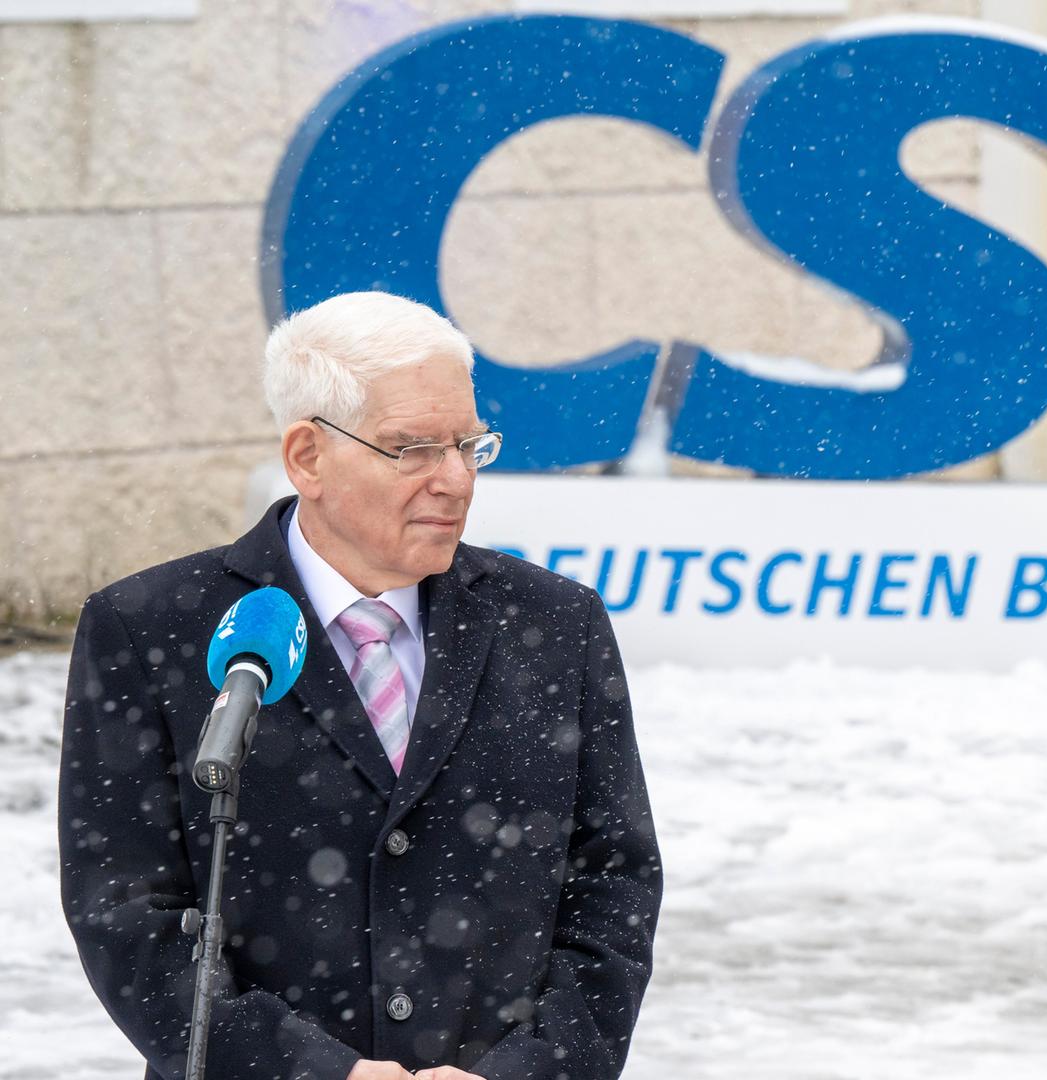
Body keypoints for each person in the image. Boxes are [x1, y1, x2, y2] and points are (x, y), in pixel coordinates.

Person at [60, 292, 662, 1080]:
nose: (454, 479)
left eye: (468, 445)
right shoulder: (150, 628)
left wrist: (529, 1069)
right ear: (308, 455)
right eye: (412, 448)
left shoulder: (555, 621)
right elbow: (125, 911)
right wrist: (309, 1069)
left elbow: (614, 882)